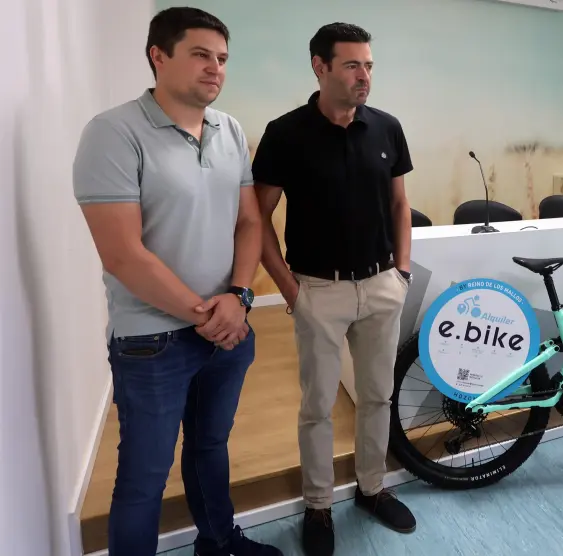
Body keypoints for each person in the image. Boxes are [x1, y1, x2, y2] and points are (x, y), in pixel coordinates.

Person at [72, 7, 282, 556]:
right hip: (152, 340)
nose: (215, 68)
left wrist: (239, 296)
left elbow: (250, 221)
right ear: (158, 56)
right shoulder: (113, 133)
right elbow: (123, 255)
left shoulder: (229, 129)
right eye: (200, 55)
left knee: (210, 447)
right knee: (144, 480)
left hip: (226, 330)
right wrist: (209, 314)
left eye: (222, 59)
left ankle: (218, 542)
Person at [252, 22, 415, 556]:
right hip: (318, 290)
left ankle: (372, 489)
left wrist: (403, 271)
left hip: (381, 285)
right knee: (318, 406)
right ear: (319, 67)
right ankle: (318, 505)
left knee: (377, 397)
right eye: (351, 65)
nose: (364, 75)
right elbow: (257, 220)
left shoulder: (387, 128)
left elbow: (399, 206)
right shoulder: (285, 133)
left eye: (368, 65)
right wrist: (291, 290)